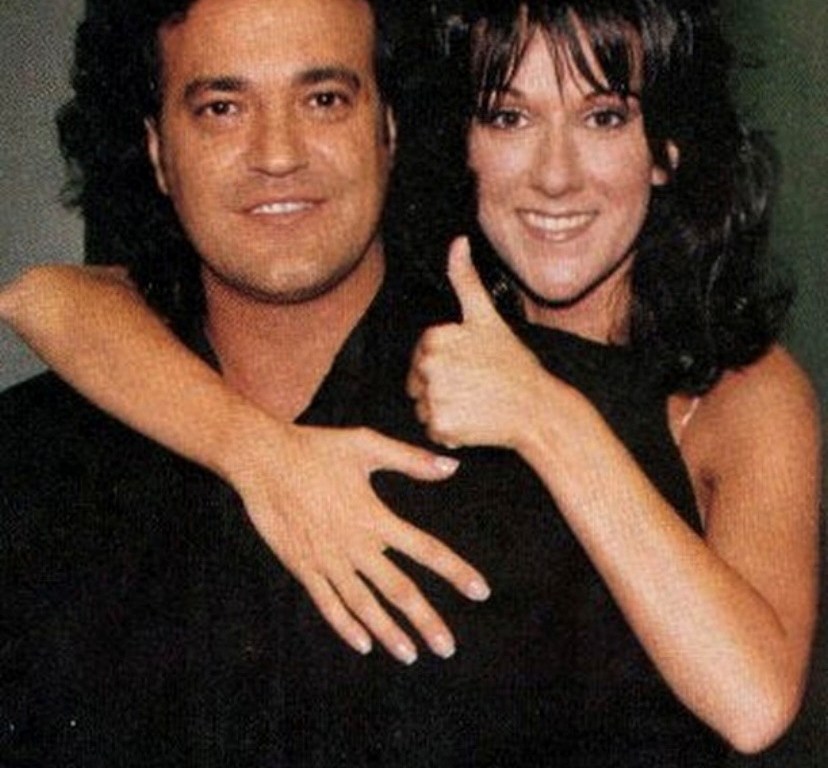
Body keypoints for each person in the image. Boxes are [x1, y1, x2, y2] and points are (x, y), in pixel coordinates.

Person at [0, 0, 820, 765]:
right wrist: (262, 454)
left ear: (390, 127)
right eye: (222, 107)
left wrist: (547, 416)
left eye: (324, 99)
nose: (278, 154)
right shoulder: (61, 439)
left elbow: (753, 701)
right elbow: (48, 297)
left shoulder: (709, 401)